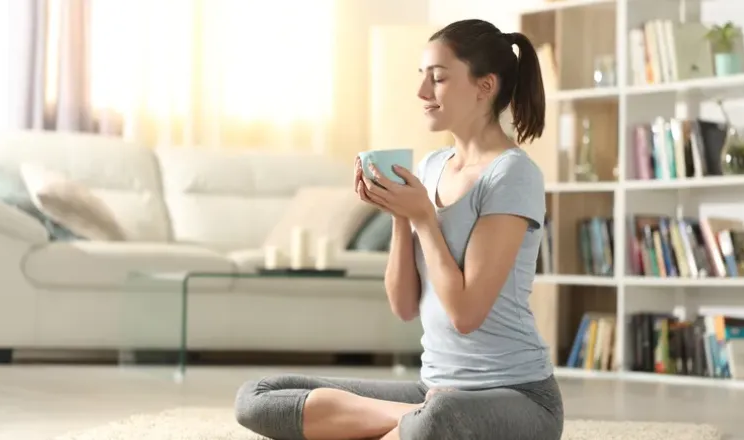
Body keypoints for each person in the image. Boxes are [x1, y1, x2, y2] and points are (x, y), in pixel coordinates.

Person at [235, 18, 563, 440]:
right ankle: (406, 419)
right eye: (422, 78)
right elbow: (405, 305)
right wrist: (398, 214)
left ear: (485, 86)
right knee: (258, 396)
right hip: (432, 388)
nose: (422, 92)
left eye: (438, 78)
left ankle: (398, 422)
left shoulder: (512, 175)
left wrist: (424, 217)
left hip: (517, 397)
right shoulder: (429, 168)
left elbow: (465, 314)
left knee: (437, 419)